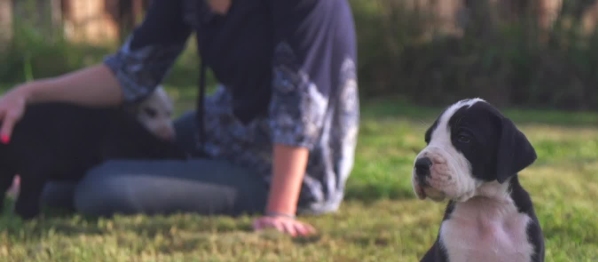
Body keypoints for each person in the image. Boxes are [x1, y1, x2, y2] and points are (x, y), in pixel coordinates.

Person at [0, 0, 360, 238]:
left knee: (101, 189)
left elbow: (299, 104)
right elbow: (129, 73)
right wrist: (29, 92)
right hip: (223, 129)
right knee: (55, 181)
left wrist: (281, 211)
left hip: (295, 169)